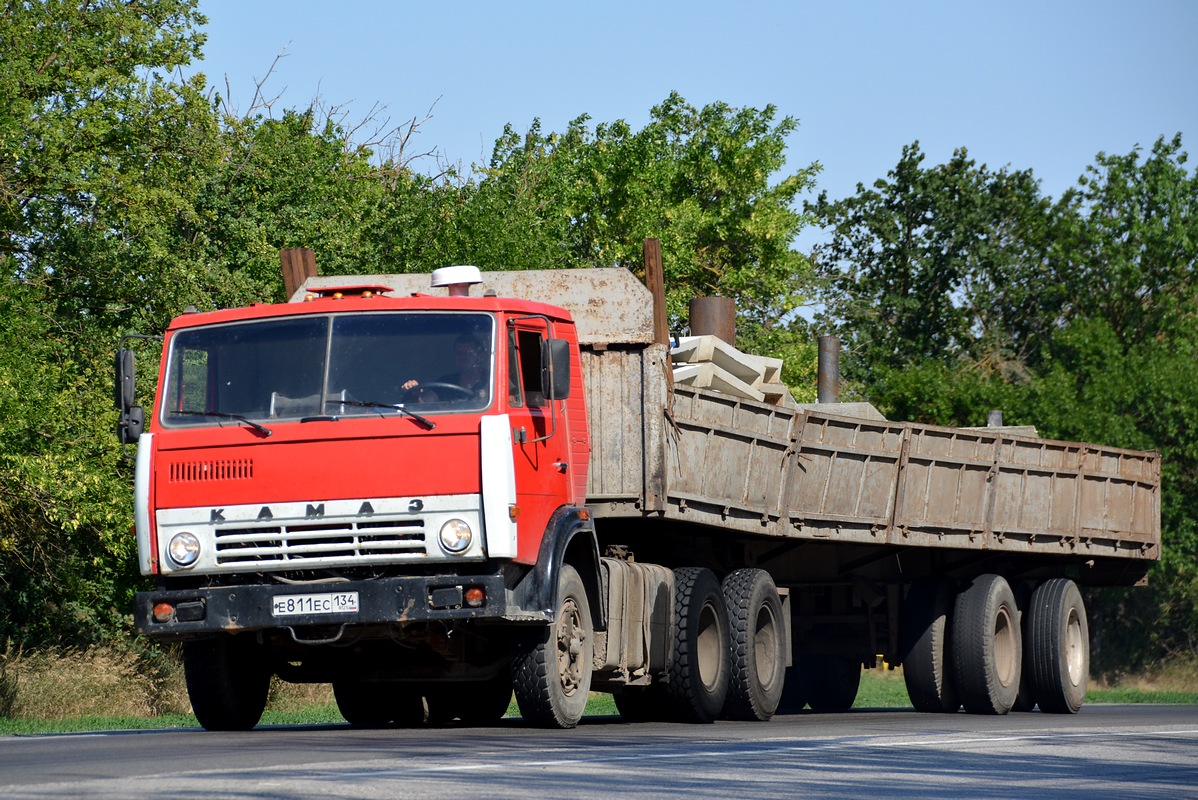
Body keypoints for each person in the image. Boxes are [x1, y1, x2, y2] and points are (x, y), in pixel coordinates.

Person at [401, 334, 489, 404]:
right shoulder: (445, 383)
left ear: (480, 356)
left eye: (468, 353)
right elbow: (424, 406)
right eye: (459, 353)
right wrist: (415, 396)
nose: (462, 357)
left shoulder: (491, 381)